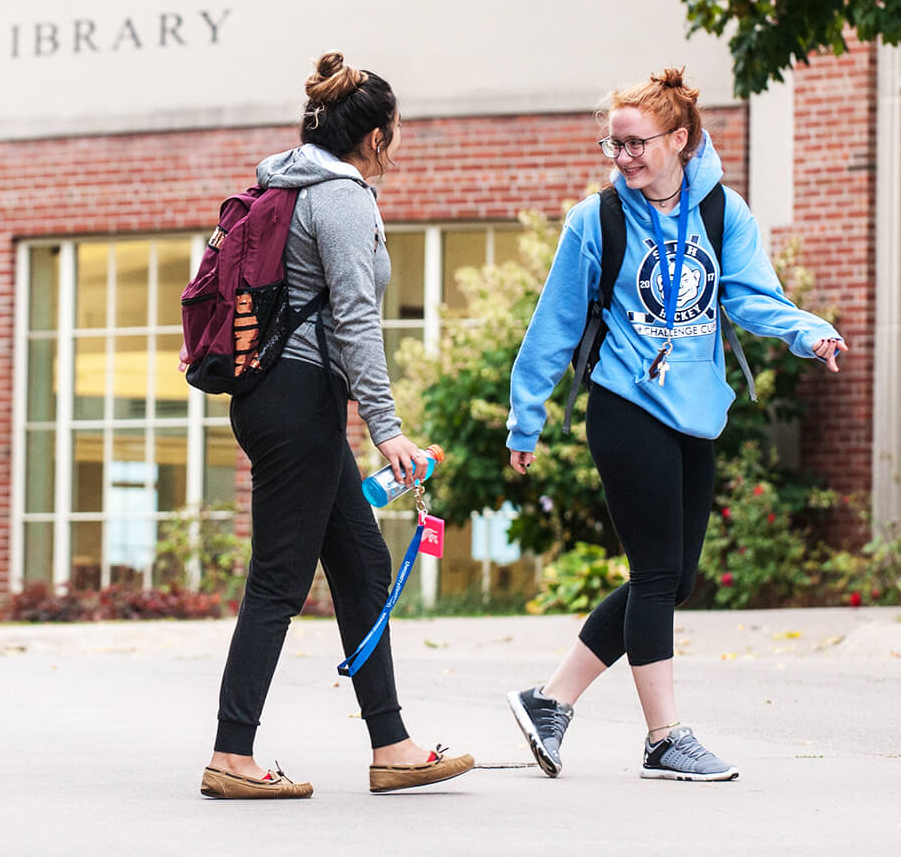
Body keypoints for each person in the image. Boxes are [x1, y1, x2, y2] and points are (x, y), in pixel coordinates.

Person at [505, 68, 847, 782]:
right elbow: (554, 325)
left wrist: (806, 331)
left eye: (634, 143)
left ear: (680, 139)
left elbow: (752, 297)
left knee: (676, 576)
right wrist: (524, 420)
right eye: (612, 144)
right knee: (656, 572)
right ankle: (664, 736)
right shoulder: (594, 220)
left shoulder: (722, 212)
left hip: (696, 408)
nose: (621, 157)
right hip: (624, 405)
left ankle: (550, 698)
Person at [195, 52, 474, 799]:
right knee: (279, 582)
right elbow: (355, 317)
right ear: (376, 135)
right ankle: (231, 754)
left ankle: (392, 743)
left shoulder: (283, 181)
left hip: (281, 399)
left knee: (359, 565)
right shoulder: (343, 196)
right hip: (299, 401)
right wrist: (386, 427)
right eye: (395, 133)